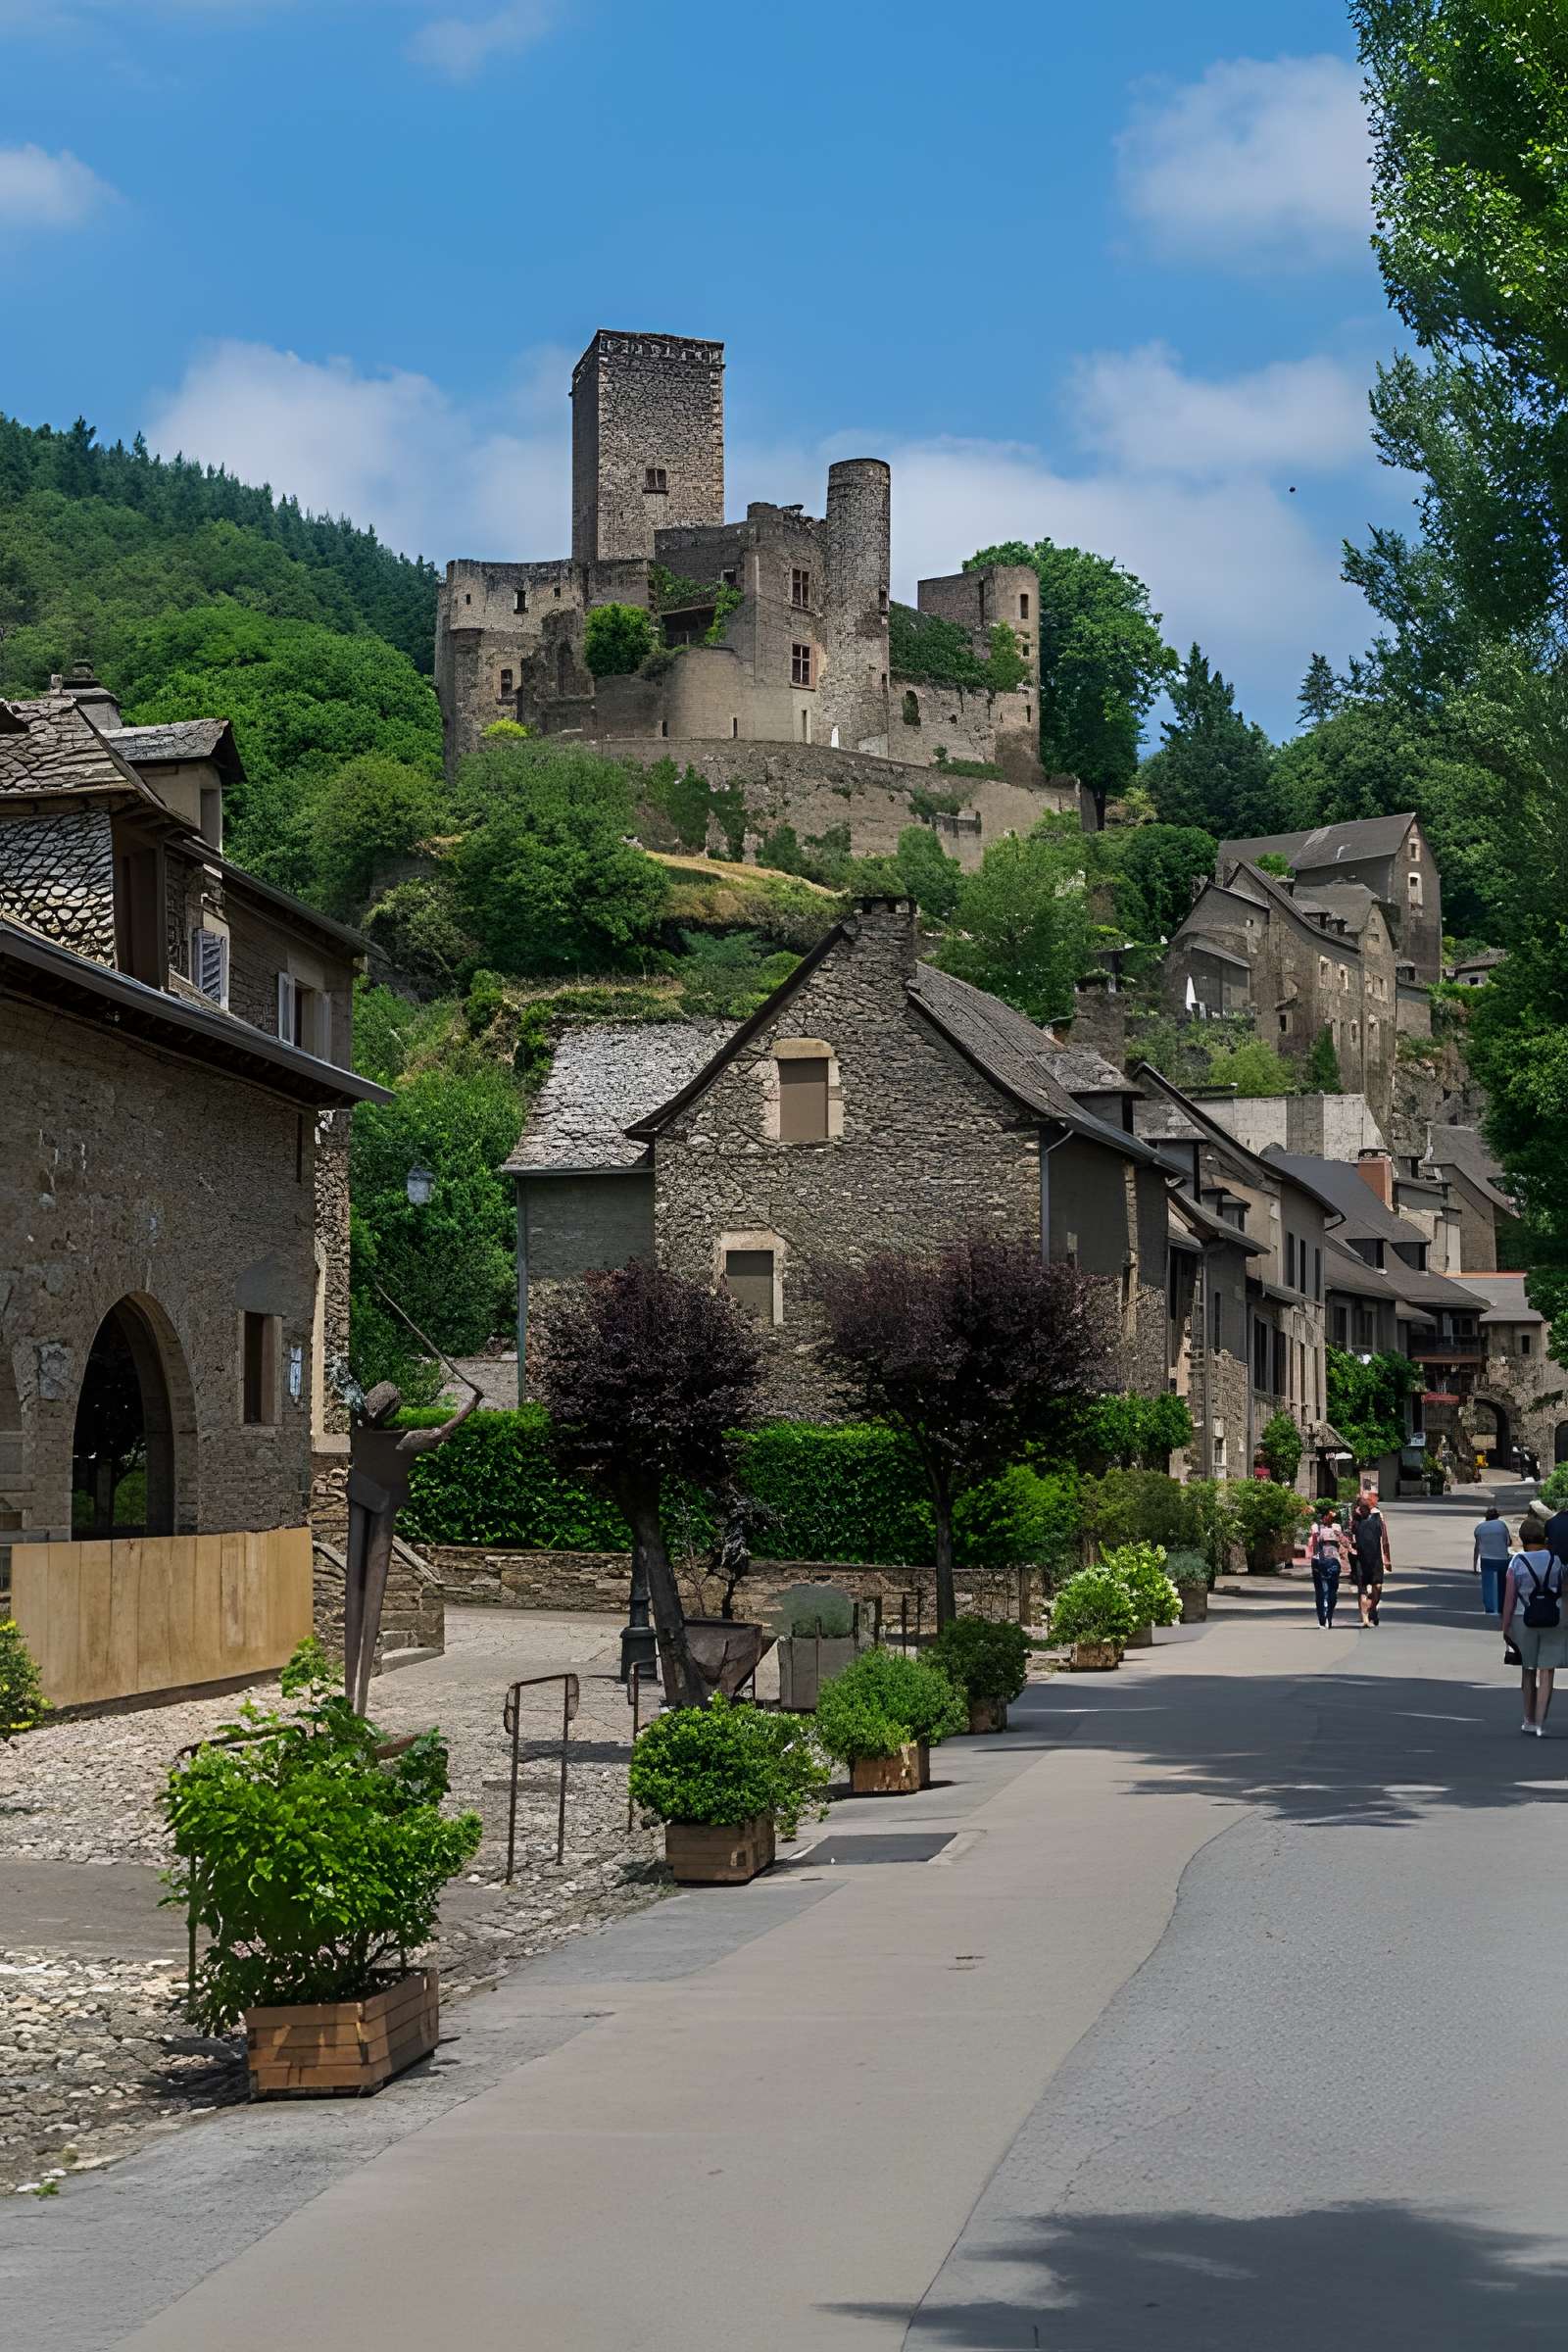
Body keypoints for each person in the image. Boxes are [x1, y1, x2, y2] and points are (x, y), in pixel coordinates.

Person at [1501, 1524, 1567, 1737]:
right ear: (1544, 1539)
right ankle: (1540, 1722)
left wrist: (1506, 1627)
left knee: (1528, 1669)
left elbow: (1510, 1599)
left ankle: (1528, 1719)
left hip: (1524, 1619)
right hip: (1553, 1619)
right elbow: (1565, 1591)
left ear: (1522, 1539)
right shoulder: (1556, 1561)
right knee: (1547, 1671)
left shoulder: (1517, 1562)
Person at [1349, 1494, 1392, 1627]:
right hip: (1360, 1560)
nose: (1361, 1509)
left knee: (1377, 1587)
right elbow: (1350, 1535)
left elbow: (1384, 1539)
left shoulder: (1377, 1518)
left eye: (1364, 1507)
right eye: (1360, 1507)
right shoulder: (1356, 1521)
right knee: (1362, 1590)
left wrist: (1387, 1558)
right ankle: (1366, 1619)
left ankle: (1372, 1607)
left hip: (1376, 1560)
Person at [1307, 1502, 1348, 1628]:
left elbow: (1344, 1543)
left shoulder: (1336, 1527)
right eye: (1329, 1515)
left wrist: (1338, 1535)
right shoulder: (1316, 1528)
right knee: (1321, 1591)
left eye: (1333, 1516)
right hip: (1323, 1562)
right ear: (1323, 1516)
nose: (1331, 1518)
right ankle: (1323, 1618)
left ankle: (1327, 1616)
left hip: (1329, 1563)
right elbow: (1314, 1545)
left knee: (1331, 1592)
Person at [1474, 1505, 1513, 1618]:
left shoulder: (1479, 1528)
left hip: (1486, 1560)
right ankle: (1501, 1607)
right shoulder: (1501, 1525)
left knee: (1487, 1584)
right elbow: (1509, 1542)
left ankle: (1489, 1608)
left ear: (1486, 1517)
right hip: (1502, 1560)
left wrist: (1474, 1566)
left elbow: (1477, 1548)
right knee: (1502, 1584)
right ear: (1497, 1516)